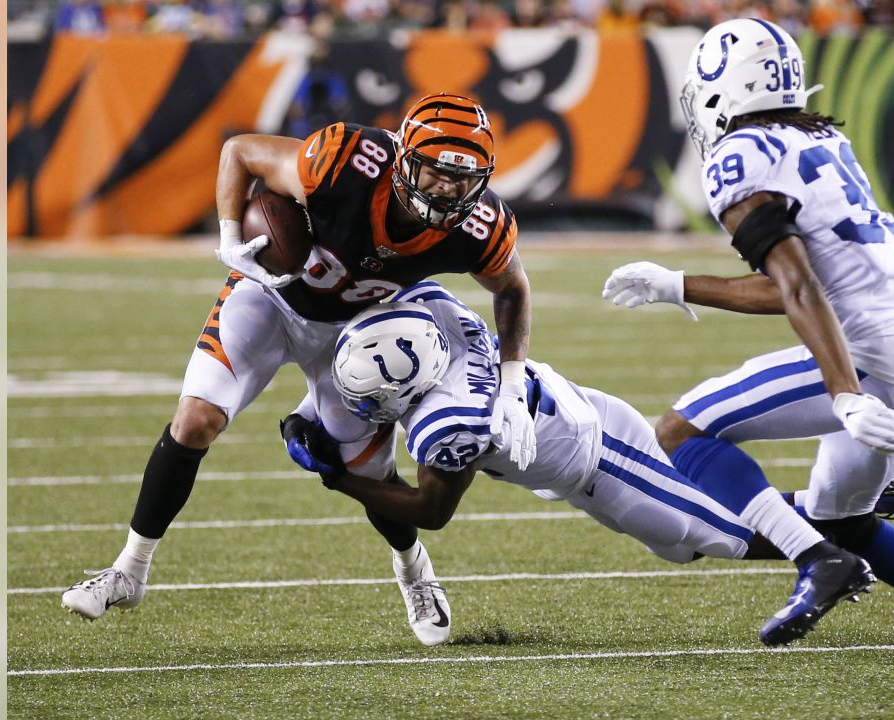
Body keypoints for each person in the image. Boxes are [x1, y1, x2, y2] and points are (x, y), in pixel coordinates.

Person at [601, 19, 894, 686]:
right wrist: (678, 283)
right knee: (844, 514)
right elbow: (806, 284)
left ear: (725, 88)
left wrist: (844, 394)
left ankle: (814, 559)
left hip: (872, 358)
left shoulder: (739, 158)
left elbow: (798, 285)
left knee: (680, 428)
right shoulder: (818, 134)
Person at [61, 93, 538, 648]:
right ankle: (129, 571)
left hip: (355, 332)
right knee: (193, 421)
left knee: (372, 472)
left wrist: (509, 385)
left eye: (464, 177)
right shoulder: (346, 160)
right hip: (272, 298)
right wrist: (228, 238)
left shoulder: (479, 224)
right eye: (435, 171)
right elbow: (239, 151)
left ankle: (414, 571)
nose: (448, 189)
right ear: (405, 158)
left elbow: (512, 289)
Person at [280, 282, 875, 646]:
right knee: (681, 542)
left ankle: (861, 536)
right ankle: (862, 517)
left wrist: (340, 478)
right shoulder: (435, 313)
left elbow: (430, 512)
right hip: (583, 425)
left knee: (715, 538)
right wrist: (308, 409)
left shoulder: (448, 424)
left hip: (599, 460)